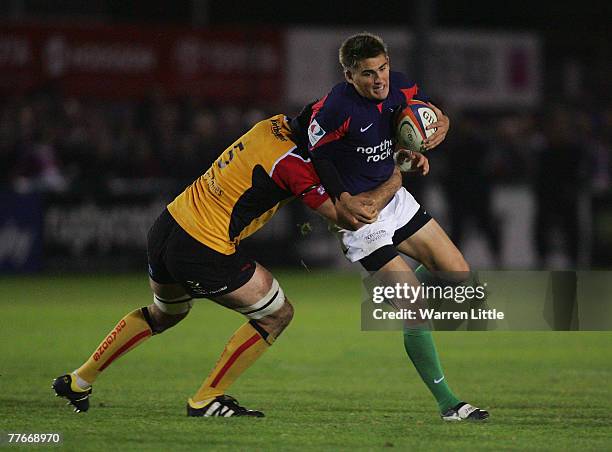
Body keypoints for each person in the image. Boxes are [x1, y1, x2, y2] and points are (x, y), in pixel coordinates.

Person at [51, 112, 424, 417]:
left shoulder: (271, 125)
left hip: (168, 226)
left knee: (163, 314)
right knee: (277, 314)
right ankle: (206, 399)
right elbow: (349, 217)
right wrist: (395, 173)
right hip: (203, 248)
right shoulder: (294, 165)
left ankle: (79, 380)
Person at [304, 32, 489, 421]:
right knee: (414, 305)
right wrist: (341, 198)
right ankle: (449, 405)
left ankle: (391, 288)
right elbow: (317, 155)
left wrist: (438, 129)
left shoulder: (400, 85)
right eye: (368, 73)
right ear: (349, 75)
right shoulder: (337, 106)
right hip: (362, 216)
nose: (379, 79)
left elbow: (432, 114)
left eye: (383, 68)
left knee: (458, 274)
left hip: (396, 200)